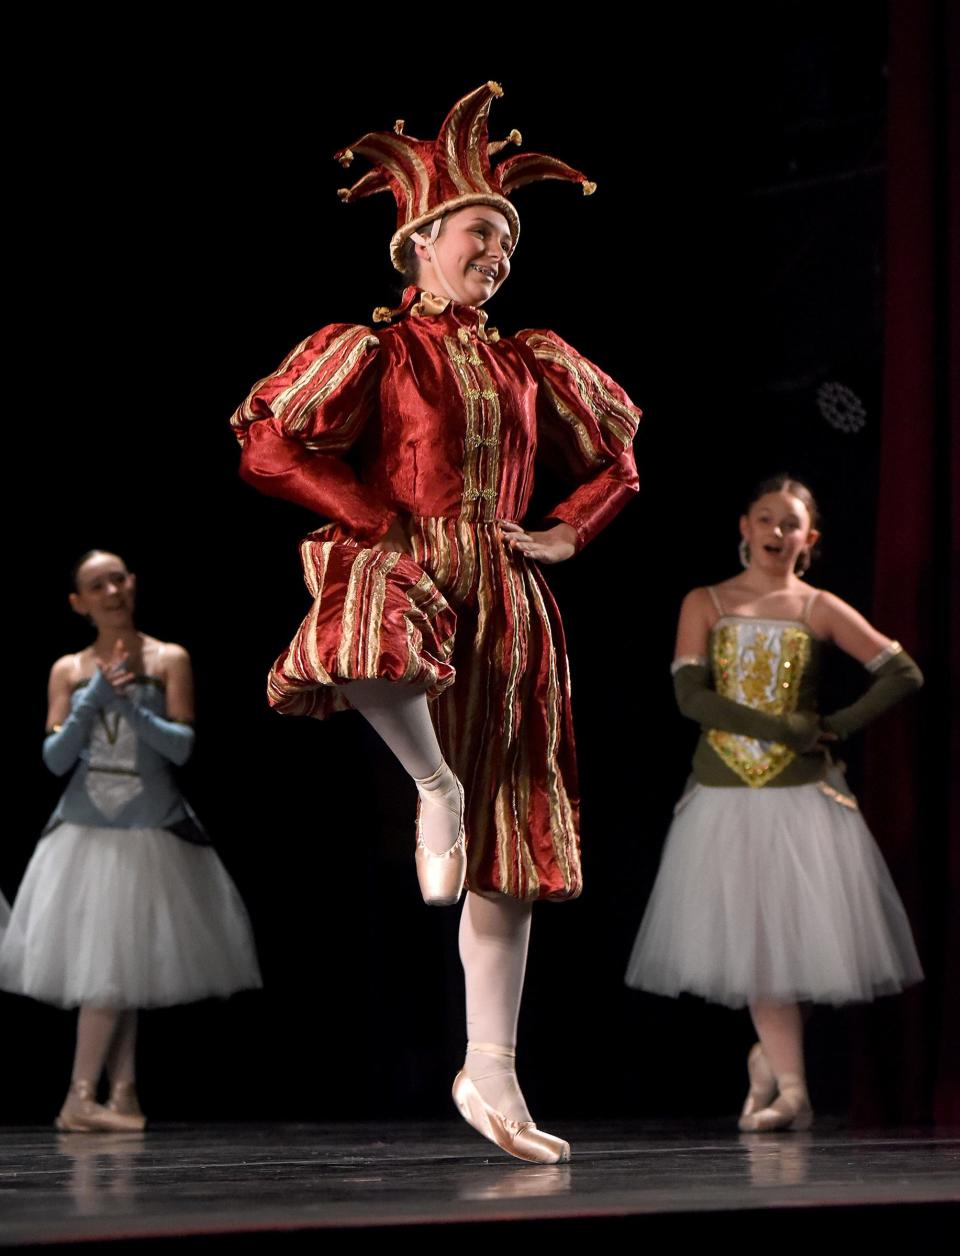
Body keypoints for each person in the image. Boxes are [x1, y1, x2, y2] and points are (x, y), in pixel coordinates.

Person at [231, 82, 641, 1163]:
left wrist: (561, 533)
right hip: (408, 557)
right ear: (418, 244)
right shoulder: (376, 350)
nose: (497, 251)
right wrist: (375, 516)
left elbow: (621, 464)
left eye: (508, 237)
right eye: (479, 232)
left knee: (514, 834)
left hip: (505, 581)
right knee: (365, 609)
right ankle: (428, 780)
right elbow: (269, 445)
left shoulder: (530, 359)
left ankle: (491, 1065)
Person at [625, 475, 923, 1131]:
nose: (776, 533)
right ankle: (794, 1091)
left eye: (790, 524)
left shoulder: (817, 606)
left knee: (803, 953)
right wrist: (781, 727)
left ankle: (771, 1060)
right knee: (763, 949)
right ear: (744, 527)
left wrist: (834, 726)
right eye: (766, 519)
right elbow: (691, 700)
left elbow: (902, 672)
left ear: (808, 538)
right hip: (725, 796)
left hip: (803, 798)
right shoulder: (705, 601)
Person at [0, 550, 262, 1132]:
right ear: (79, 603)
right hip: (87, 835)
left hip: (151, 827)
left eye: (118, 579)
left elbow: (181, 748)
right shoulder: (68, 669)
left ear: (134, 582)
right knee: (107, 969)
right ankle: (78, 1098)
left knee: (129, 966)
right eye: (97, 585)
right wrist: (94, 699)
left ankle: (122, 1093)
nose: (112, 591)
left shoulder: (169, 658)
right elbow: (54, 759)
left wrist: (130, 708)